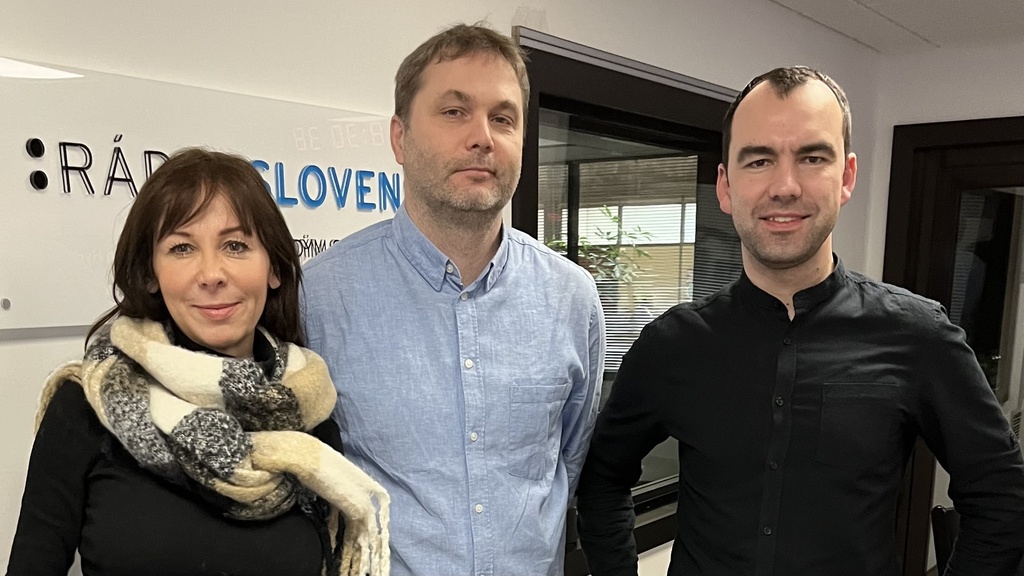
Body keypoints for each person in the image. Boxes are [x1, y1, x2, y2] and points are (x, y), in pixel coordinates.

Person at [575, 66, 1024, 576]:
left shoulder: (920, 337)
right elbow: (602, 479)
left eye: (812, 158)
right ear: (725, 186)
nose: (785, 186)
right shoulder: (672, 345)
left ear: (846, 177)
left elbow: (1001, 496)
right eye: (759, 160)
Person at [302, 23, 605, 576]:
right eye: (454, 111)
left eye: (503, 118)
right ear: (400, 138)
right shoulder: (319, 297)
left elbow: (568, 458)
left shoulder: (572, 298)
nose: (482, 137)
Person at [6, 148, 389, 576]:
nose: (211, 274)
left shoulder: (308, 409)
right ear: (150, 273)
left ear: (274, 268)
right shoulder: (89, 404)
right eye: (182, 248)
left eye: (236, 245)